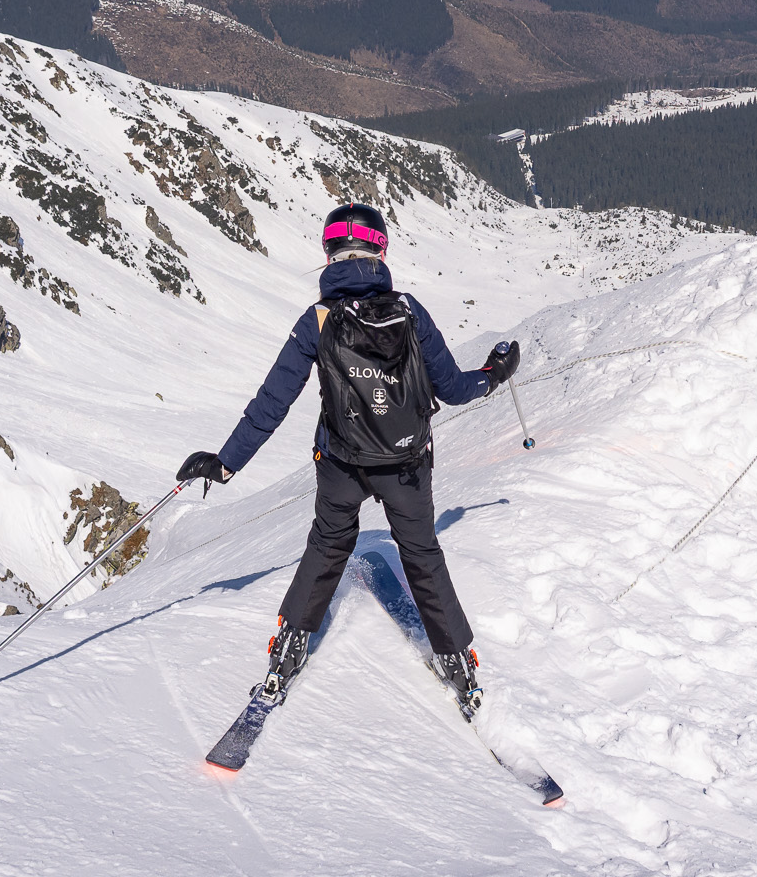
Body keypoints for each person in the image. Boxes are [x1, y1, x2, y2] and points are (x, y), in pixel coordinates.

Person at [178, 202, 520, 713]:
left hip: (340, 463)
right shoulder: (409, 310)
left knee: (328, 543)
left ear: (329, 252)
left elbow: (274, 400)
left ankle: (290, 647)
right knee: (421, 554)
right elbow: (452, 388)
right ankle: (458, 663)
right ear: (380, 250)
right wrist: (494, 373)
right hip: (406, 466)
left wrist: (226, 463)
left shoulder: (317, 320)